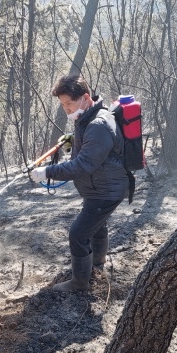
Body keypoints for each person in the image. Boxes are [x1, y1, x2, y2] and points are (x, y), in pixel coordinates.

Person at [30, 74, 128, 291]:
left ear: (85, 97)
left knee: (78, 234)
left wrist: (47, 172)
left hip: (106, 191)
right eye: (63, 104)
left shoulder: (99, 124)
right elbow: (92, 146)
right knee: (96, 225)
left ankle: (79, 282)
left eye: (69, 103)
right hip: (100, 187)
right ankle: (97, 263)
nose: (66, 108)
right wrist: (72, 140)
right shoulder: (87, 118)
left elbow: (82, 166)